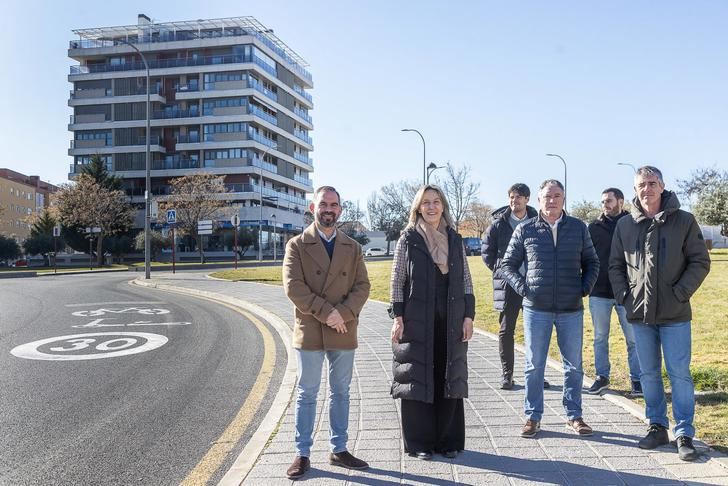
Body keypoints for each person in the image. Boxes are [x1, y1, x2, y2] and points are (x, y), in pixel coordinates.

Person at [609, 166, 710, 462]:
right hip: (639, 315)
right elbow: (615, 266)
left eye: (653, 183)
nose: (647, 188)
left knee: (679, 374)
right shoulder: (625, 225)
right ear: (635, 189)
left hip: (675, 314)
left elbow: (700, 262)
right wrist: (625, 299)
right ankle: (657, 427)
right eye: (642, 184)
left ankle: (684, 433)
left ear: (663, 187)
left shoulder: (684, 221)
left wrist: (680, 293)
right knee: (648, 373)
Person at [282, 186, 371, 479]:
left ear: (341, 210)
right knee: (307, 393)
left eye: (334, 205)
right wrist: (327, 313)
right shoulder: (296, 245)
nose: (328, 209)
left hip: (343, 328)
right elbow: (293, 287)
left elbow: (362, 287)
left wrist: (341, 314)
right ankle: (302, 453)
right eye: (323, 204)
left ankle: (339, 449)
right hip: (310, 328)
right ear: (313, 207)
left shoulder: (352, 247)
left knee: (341, 392)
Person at [501, 179, 600, 439]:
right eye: (547, 196)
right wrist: (525, 289)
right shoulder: (525, 229)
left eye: (557, 195)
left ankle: (574, 415)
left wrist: (584, 287)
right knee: (534, 365)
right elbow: (507, 265)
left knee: (574, 366)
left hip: (571, 308)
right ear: (539, 200)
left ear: (563, 198)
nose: (552, 200)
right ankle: (533, 416)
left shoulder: (578, 228)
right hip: (537, 308)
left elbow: (592, 262)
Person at [389, 184, 475, 460]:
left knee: (448, 376)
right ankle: (420, 443)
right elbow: (397, 278)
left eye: (436, 201)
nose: (431, 206)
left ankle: (448, 441)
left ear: (443, 206)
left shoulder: (455, 239)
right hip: (417, 319)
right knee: (417, 377)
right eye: (425, 202)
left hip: (450, 319)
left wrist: (468, 316)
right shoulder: (408, 239)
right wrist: (398, 316)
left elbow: (466, 280)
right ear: (418, 207)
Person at [482, 183, 549, 390]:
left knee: (536, 332)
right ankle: (507, 374)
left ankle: (536, 375)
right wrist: (501, 270)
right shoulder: (498, 225)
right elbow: (487, 252)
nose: (514, 201)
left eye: (519, 197)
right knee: (506, 330)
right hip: (509, 286)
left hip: (533, 285)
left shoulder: (539, 222)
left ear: (527, 199)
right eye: (511, 197)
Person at [586, 187, 642, 396]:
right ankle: (602, 377)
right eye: (603, 202)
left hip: (627, 292)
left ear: (621, 201)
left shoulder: (633, 224)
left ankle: (637, 380)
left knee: (633, 339)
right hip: (599, 292)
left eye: (609, 201)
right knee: (600, 337)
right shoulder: (593, 228)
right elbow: (585, 257)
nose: (605, 205)